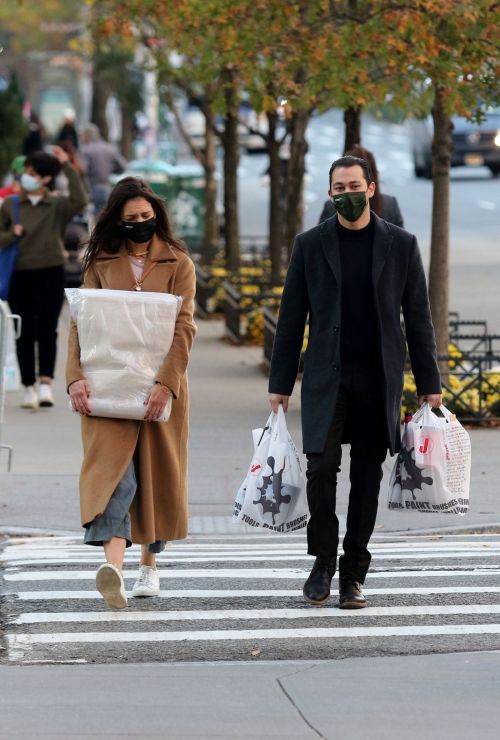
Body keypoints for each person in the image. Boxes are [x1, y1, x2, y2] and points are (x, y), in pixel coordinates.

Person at [269, 155, 442, 609]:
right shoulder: (310, 245)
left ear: (371, 189)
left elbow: (418, 317)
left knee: (367, 476)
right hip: (328, 376)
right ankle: (323, 561)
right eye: (337, 187)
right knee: (322, 468)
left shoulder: (401, 244)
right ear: (330, 193)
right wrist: (281, 383)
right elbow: (291, 318)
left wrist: (430, 381)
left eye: (353, 185)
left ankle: (354, 572)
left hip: (379, 377)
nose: (346, 193)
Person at [66, 177, 197, 610]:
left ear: (157, 215)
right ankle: (115, 572)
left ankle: (149, 567)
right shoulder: (101, 261)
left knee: (155, 475)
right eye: (131, 219)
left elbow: (184, 328)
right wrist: (75, 377)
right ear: (116, 221)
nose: (140, 224)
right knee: (114, 477)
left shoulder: (178, 262)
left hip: (161, 388)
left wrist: (166, 384)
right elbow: (80, 324)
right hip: (107, 387)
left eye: (146, 217)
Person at [0, 147, 88, 408]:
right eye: (25, 173)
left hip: (51, 270)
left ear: (46, 178)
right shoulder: (12, 204)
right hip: (20, 273)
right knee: (24, 331)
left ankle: (46, 383)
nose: (25, 177)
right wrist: (11, 234)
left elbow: (81, 199)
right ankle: (29, 386)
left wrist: (67, 165)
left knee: (48, 329)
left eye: (32, 173)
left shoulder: (58, 204)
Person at [318, 144, 404, 227]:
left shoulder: (390, 205)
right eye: (340, 188)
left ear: (371, 188)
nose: (348, 192)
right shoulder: (390, 205)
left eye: (355, 186)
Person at [80, 123, 127, 216]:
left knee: (94, 220)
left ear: (87, 136)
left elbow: (82, 170)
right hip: (107, 189)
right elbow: (123, 166)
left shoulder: (86, 150)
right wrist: (109, 169)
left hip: (92, 189)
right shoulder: (110, 148)